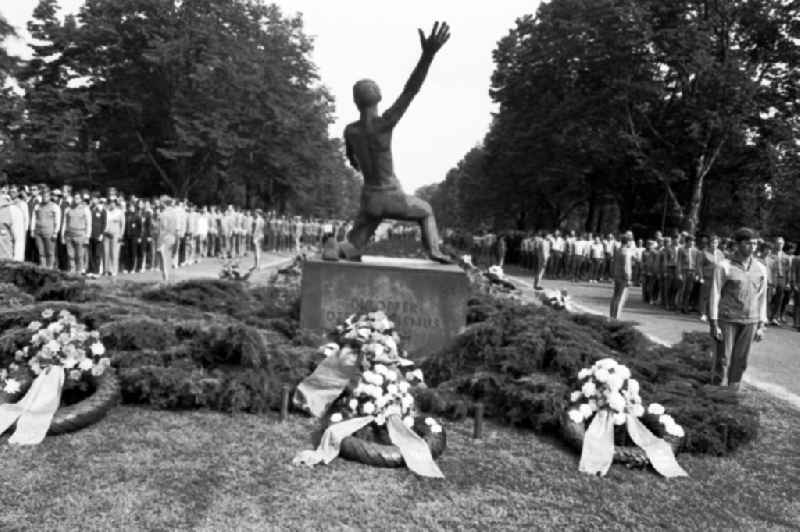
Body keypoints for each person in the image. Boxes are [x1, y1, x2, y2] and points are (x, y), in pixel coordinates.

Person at [708, 227, 768, 390]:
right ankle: (716, 392)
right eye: (749, 243)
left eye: (755, 244)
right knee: (723, 359)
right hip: (727, 319)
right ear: (738, 244)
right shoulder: (724, 266)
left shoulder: (761, 269)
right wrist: (714, 322)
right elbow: (715, 294)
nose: (753, 247)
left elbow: (762, 297)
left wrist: (762, 324)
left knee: (741, 360)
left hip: (750, 320)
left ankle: (733, 392)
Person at [61, 193, 91, 274]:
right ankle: (72, 270)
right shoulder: (68, 209)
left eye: (78, 198)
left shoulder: (85, 209)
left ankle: (79, 271)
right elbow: (64, 222)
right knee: (70, 255)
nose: (75, 200)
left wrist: (87, 236)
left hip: (80, 234)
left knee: (79, 255)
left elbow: (88, 223)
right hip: (69, 234)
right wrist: (62, 235)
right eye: (74, 198)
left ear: (81, 200)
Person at [31, 189, 61, 268]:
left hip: (49, 232)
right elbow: (34, 218)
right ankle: (43, 267)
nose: (45, 198)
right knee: (41, 251)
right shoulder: (37, 206)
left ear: (50, 197)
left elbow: (57, 220)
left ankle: (50, 267)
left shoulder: (54, 206)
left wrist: (55, 232)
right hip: (38, 232)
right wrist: (32, 230)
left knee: (50, 252)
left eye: (47, 196)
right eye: (43, 196)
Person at [610, 231, 635, 319]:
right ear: (627, 241)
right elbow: (626, 267)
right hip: (623, 277)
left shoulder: (618, 250)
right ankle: (616, 317)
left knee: (615, 296)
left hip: (617, 276)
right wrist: (628, 278)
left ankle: (612, 315)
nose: (631, 242)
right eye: (630, 241)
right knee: (620, 298)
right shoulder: (626, 252)